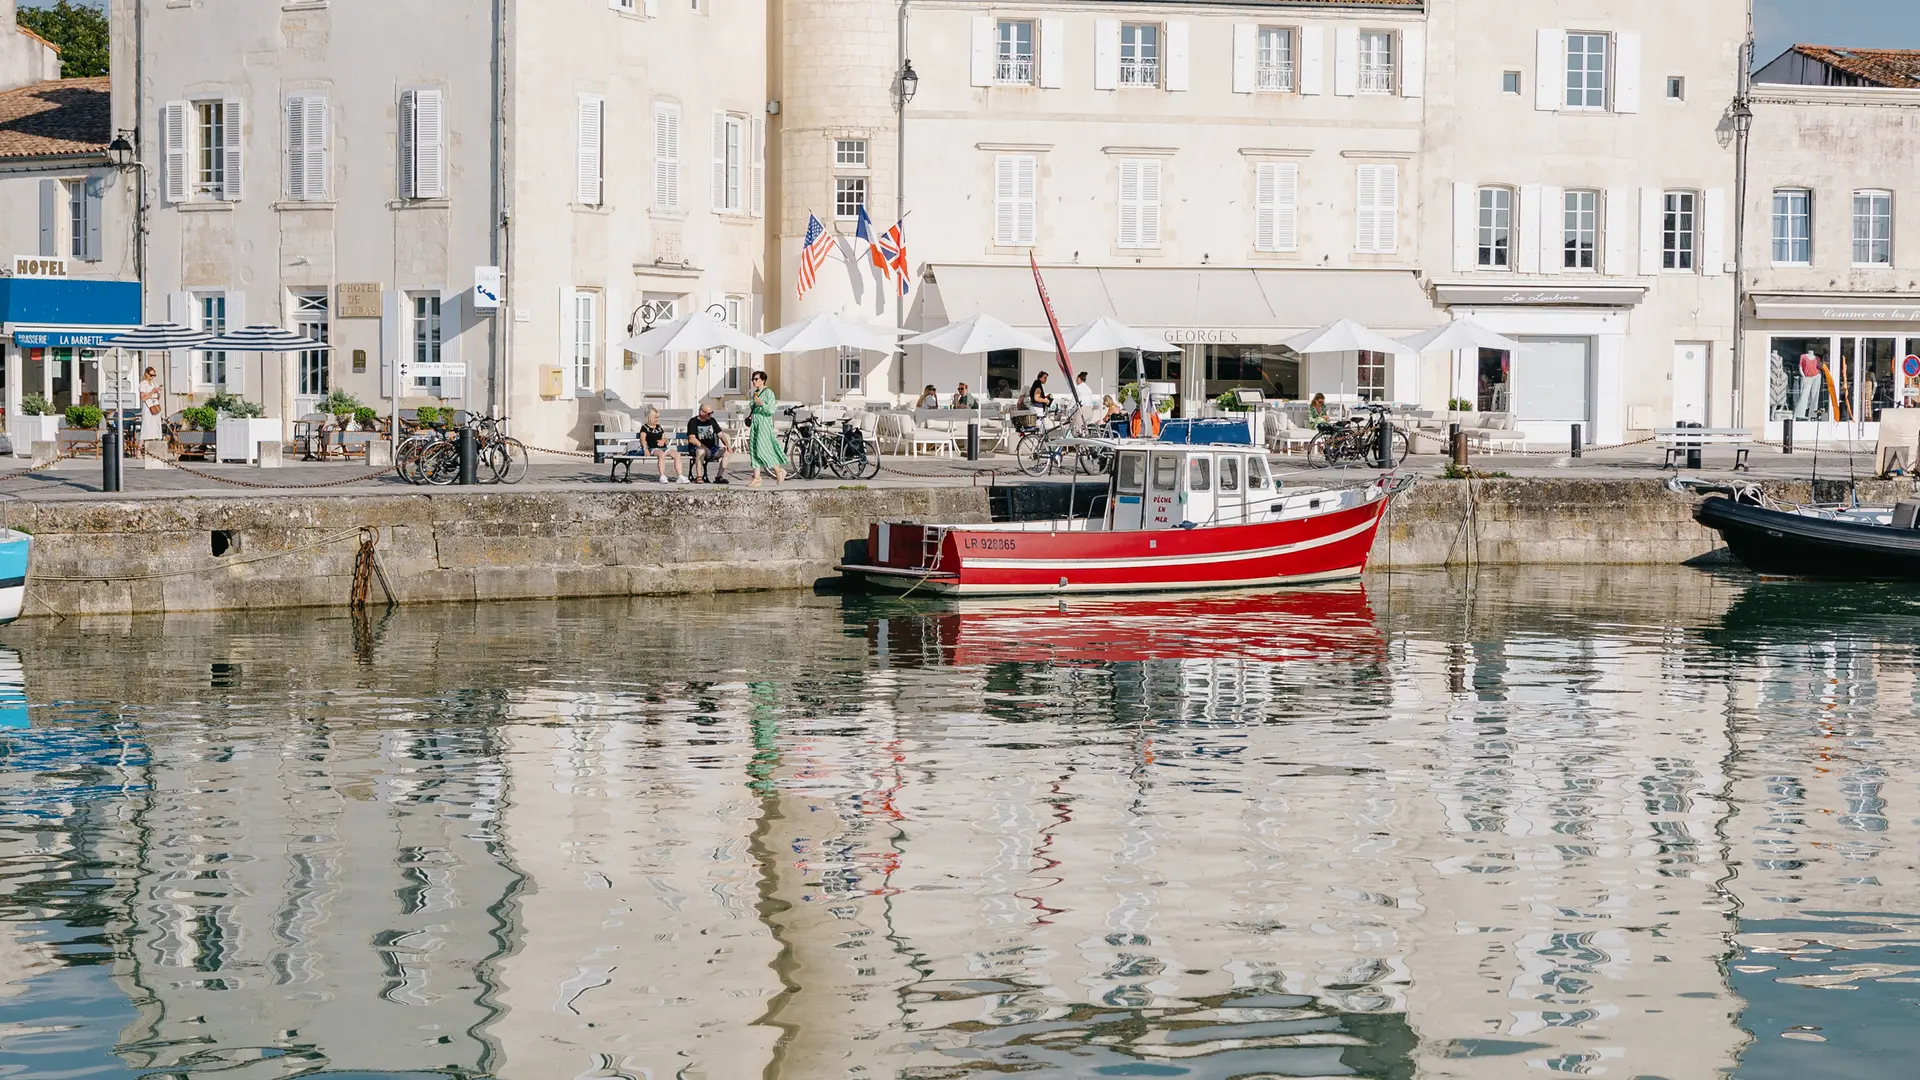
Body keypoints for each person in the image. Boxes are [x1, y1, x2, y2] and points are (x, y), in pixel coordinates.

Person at [746, 370, 788, 487]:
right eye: (753, 379)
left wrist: (761, 403)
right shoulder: (756, 393)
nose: (754, 381)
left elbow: (771, 410)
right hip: (755, 423)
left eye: (756, 379)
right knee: (753, 449)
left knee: (763, 449)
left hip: (764, 423)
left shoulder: (769, 393)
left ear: (763, 380)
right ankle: (757, 477)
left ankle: (779, 470)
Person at [686, 401, 730, 484]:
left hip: (712, 448)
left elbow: (720, 434)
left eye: (712, 413)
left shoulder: (712, 421)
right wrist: (705, 448)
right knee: (701, 451)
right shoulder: (693, 422)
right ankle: (699, 476)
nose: (710, 415)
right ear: (702, 412)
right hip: (696, 448)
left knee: (726, 453)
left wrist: (727, 445)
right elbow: (692, 439)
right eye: (709, 413)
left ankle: (719, 477)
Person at [641, 406, 686, 483]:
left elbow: (665, 438)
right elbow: (642, 439)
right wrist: (645, 449)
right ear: (650, 417)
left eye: (657, 417)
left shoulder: (659, 427)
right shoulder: (644, 427)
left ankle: (680, 476)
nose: (657, 419)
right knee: (661, 454)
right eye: (655, 418)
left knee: (677, 454)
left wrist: (663, 440)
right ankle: (662, 475)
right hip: (653, 448)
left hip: (664, 448)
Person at [138, 366, 163, 446]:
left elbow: (157, 398)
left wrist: (158, 392)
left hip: (155, 406)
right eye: (151, 375)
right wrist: (152, 391)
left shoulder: (154, 384)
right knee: (146, 429)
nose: (152, 377)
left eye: (154, 375)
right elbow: (143, 398)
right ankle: (139, 449)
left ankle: (152, 448)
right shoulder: (143, 384)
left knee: (155, 428)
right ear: (146, 374)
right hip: (148, 408)